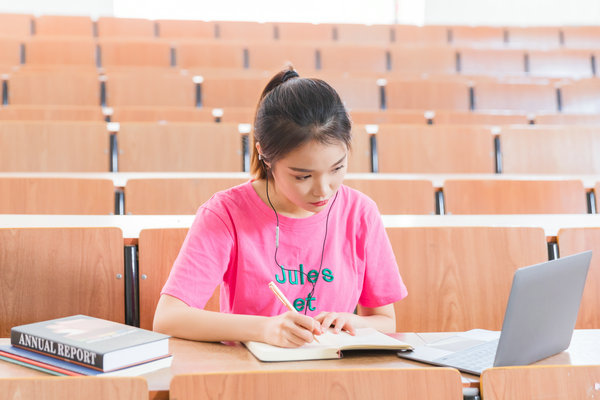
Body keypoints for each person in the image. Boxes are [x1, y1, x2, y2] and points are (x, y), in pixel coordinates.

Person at [153, 67, 407, 348]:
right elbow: (169, 316)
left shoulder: (361, 214)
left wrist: (352, 321)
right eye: (303, 176)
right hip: (251, 376)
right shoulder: (226, 214)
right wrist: (264, 329)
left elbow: (386, 321)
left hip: (332, 378)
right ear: (265, 155)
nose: (323, 190)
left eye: (337, 168)